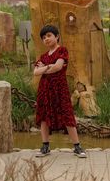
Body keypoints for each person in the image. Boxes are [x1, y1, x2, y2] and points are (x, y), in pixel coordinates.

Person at [33, 25, 86, 158]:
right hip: (44, 89)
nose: (46, 39)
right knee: (43, 116)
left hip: (60, 88)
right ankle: (45, 146)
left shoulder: (62, 50)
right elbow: (35, 72)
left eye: (49, 36)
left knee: (67, 114)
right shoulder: (43, 56)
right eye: (43, 37)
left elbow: (57, 67)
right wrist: (48, 67)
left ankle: (77, 146)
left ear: (57, 36)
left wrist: (45, 68)